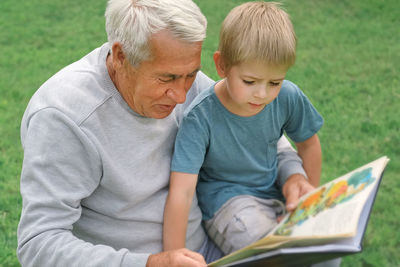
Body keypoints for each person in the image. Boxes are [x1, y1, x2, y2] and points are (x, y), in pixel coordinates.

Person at [17, 0, 315, 266]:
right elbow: (38, 242)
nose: (183, 96)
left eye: (190, 75)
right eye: (167, 78)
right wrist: (149, 264)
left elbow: (253, 128)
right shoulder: (65, 118)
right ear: (120, 56)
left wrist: (292, 174)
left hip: (211, 246)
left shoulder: (181, 72)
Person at [163, 1, 323, 255]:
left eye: (275, 82)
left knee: (321, 250)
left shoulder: (288, 96)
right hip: (227, 205)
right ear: (222, 65)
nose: (262, 94)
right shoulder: (200, 117)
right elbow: (181, 191)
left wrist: (306, 202)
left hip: (275, 192)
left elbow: (309, 144)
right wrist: (173, 254)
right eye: (250, 81)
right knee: (267, 251)